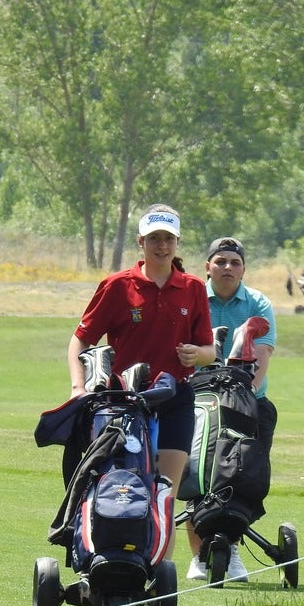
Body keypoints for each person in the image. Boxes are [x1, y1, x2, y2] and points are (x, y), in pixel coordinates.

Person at [67, 203, 216, 557]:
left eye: (167, 238)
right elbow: (80, 340)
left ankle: (154, 590)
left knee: (163, 494)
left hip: (174, 399)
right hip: (123, 403)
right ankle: (114, 563)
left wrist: (198, 354)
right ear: (141, 241)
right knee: (124, 488)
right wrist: (78, 386)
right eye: (153, 238)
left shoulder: (193, 288)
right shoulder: (119, 286)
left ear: (177, 242)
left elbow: (210, 348)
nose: (161, 246)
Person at [185, 236, 278, 582]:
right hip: (198, 400)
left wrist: (241, 397)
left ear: (243, 269)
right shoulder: (191, 296)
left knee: (242, 476)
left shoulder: (257, 302)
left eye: (234, 262)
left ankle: (231, 548)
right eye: (220, 261)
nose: (227, 267)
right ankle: (199, 556)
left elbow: (263, 356)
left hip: (249, 403)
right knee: (196, 477)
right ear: (207, 266)